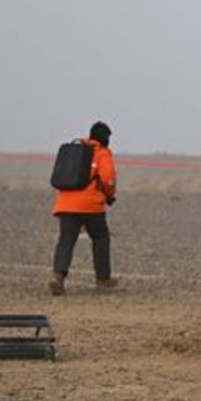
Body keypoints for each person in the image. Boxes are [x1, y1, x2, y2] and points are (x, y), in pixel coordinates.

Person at [50, 121, 117, 295]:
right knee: (101, 238)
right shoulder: (102, 153)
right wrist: (110, 195)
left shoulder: (75, 151)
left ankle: (58, 277)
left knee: (66, 241)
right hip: (91, 206)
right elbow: (108, 178)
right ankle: (103, 279)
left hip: (65, 204)